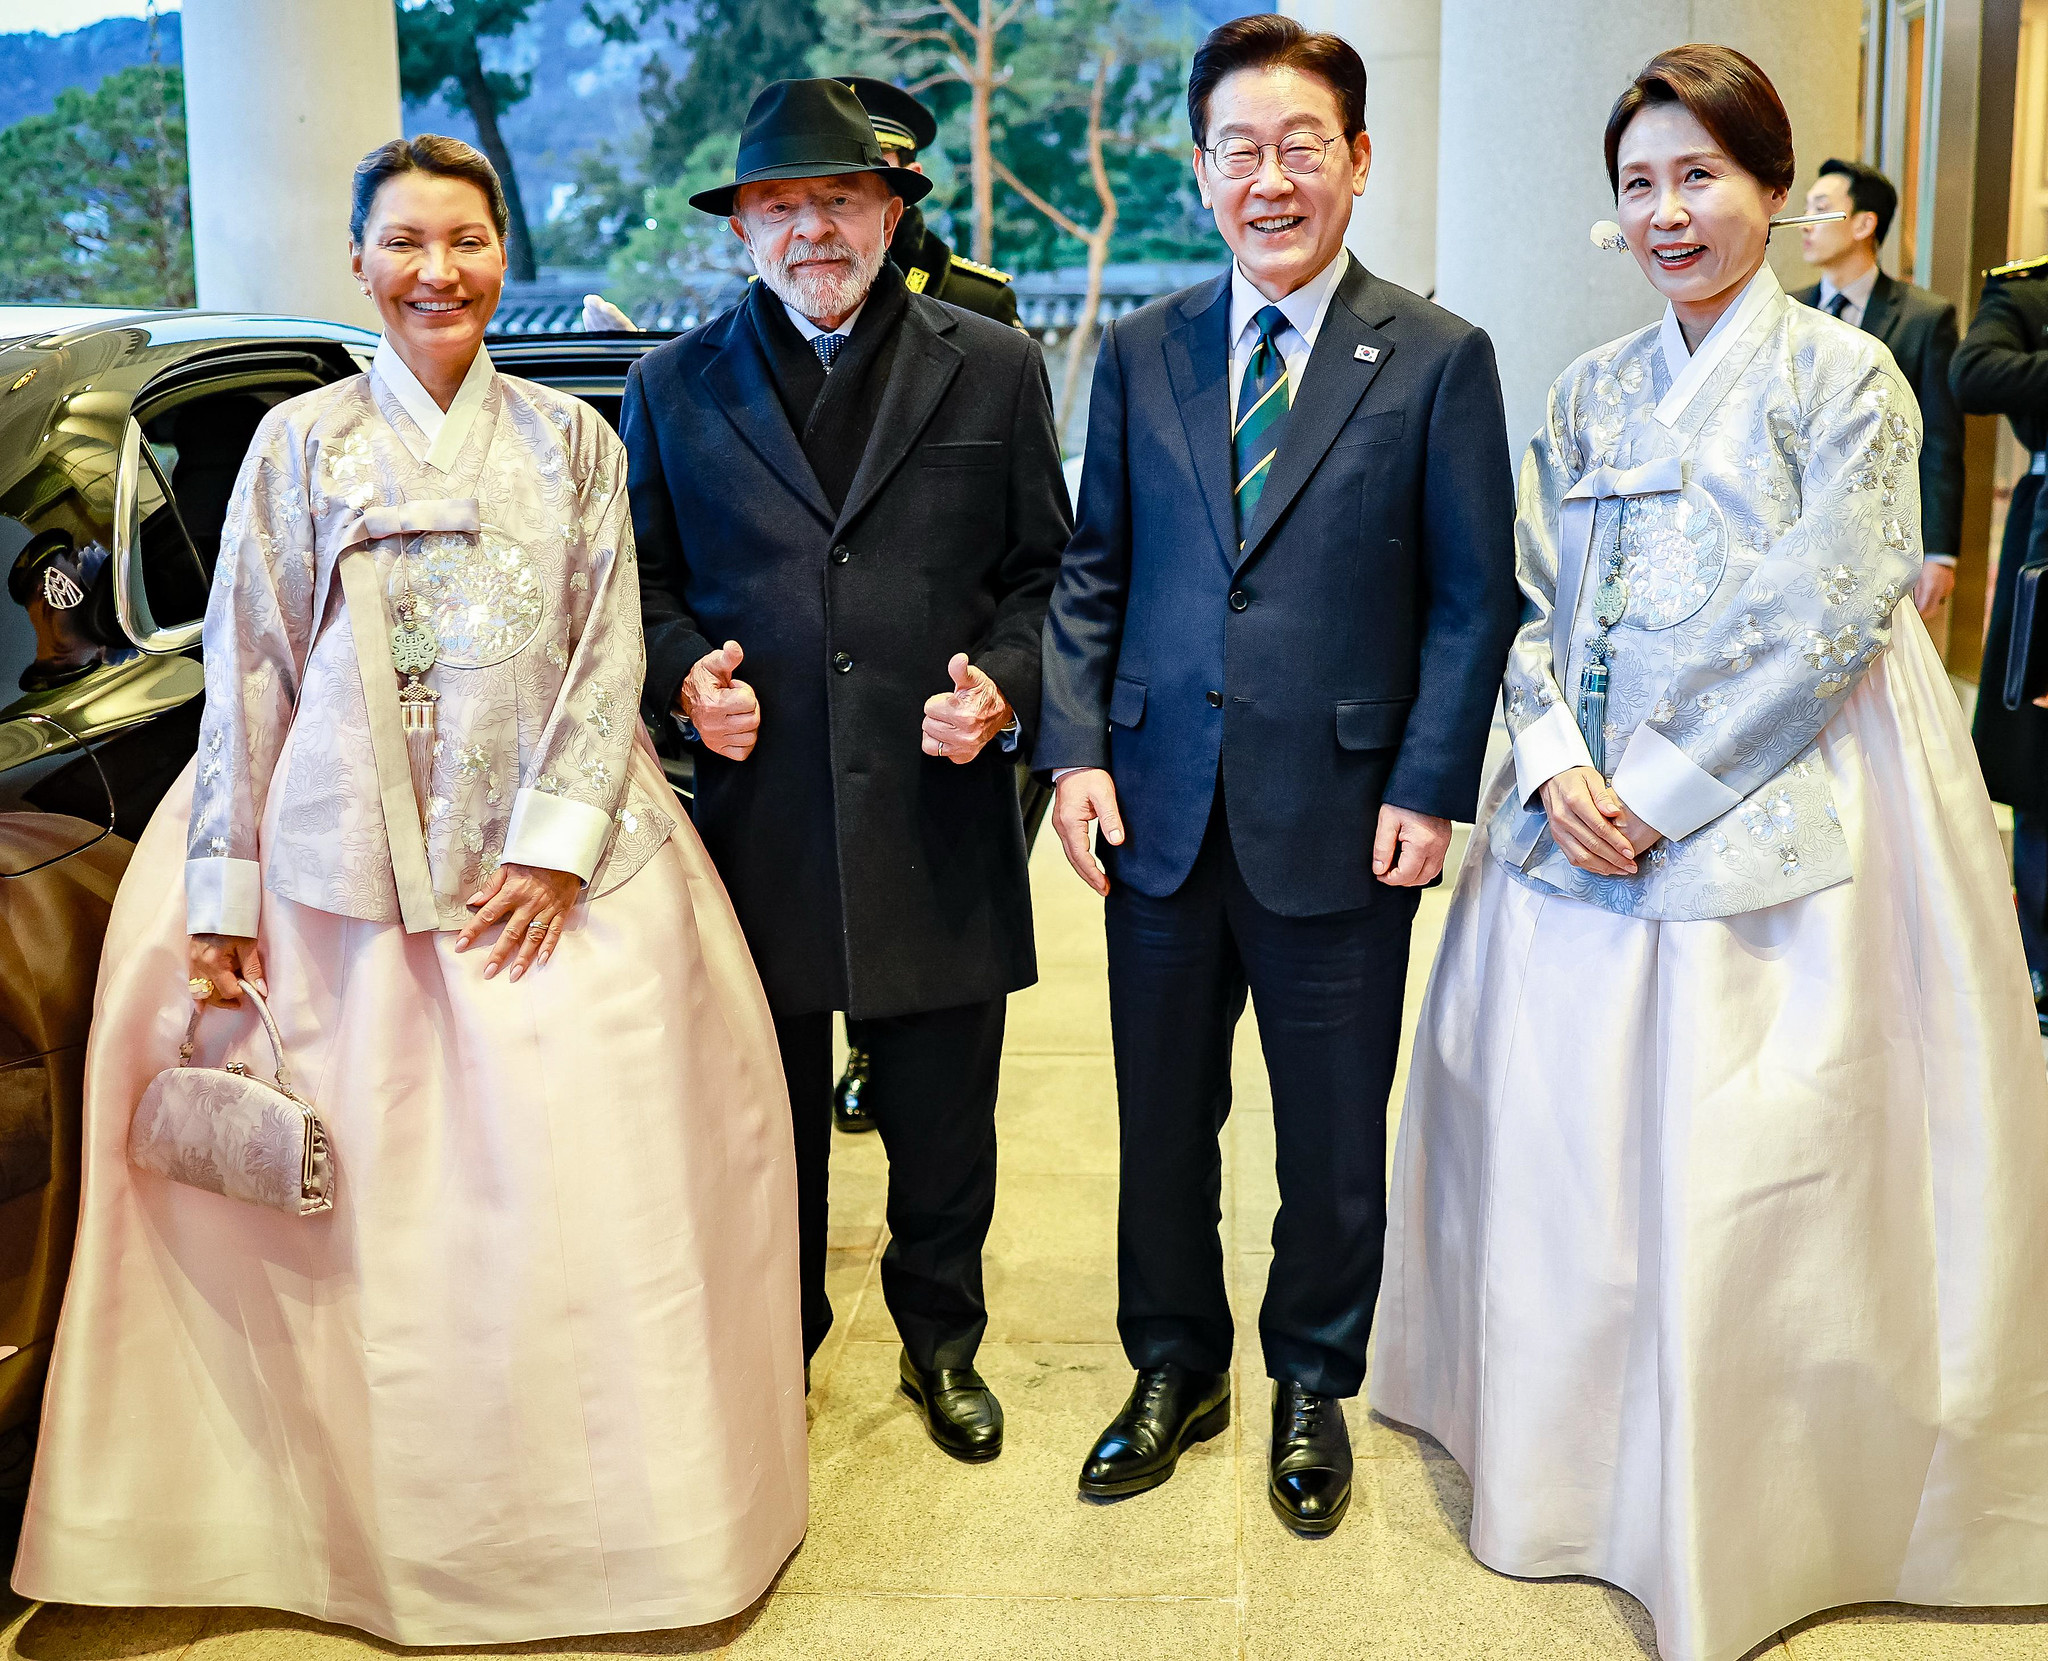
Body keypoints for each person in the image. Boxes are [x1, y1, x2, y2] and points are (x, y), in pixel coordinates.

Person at [11, 136, 808, 1644]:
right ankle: (354, 1527)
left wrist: (554, 848)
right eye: (405, 244)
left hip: (551, 866)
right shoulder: (300, 443)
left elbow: (606, 653)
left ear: (502, 254)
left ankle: (595, 1525)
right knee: (366, 1232)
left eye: (466, 241)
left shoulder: (572, 441)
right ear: (360, 262)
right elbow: (250, 667)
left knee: (584, 1203)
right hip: (336, 877)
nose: (437, 272)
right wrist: (225, 891)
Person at [1373, 46, 2048, 1661]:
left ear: (1772, 188)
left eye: (1700, 177)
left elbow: (1831, 607)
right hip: (1577, 818)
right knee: (1567, 1139)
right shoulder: (1585, 391)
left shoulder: (1846, 379)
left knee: (1769, 1146)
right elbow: (1528, 600)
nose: (1667, 212)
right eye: (1639, 185)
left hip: (1793, 801)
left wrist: (1663, 787)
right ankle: (1570, 1446)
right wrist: (1553, 759)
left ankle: (1768, 1486)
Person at [1036, 15, 1519, 1536]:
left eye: (1300, 145)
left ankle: (1313, 1376)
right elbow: (1093, 571)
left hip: (1346, 814)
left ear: (1357, 160)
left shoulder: (1437, 357)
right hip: (1158, 808)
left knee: (1328, 1134)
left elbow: (1472, 600)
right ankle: (1174, 1367)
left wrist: (1428, 784)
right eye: (1238, 149)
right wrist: (1071, 751)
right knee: (1160, 1123)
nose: (1269, 178)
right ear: (1199, 171)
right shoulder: (1141, 349)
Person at [621, 80, 1070, 1464]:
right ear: (741, 229)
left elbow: (1047, 574)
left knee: (945, 1113)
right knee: (765, 1111)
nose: (811, 229)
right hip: (758, 814)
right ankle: (780, 1338)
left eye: (838, 200)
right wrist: (684, 679)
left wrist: (1008, 686)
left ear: (889, 213)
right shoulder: (671, 384)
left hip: (938, 799)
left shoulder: (991, 364)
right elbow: (641, 585)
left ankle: (942, 1340)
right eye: (780, 206)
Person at [829, 75, 1048, 1137]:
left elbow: (1028, 533)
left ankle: (887, 1046)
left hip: (945, 680)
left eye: (870, 178)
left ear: (903, 186)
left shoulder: (977, 306)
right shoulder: (797, 287)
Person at [1794, 157, 1963, 619]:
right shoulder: (1790, 310)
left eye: (1820, 208)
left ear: (1864, 224)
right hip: (1798, 535)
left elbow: (1941, 440)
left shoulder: (1925, 318)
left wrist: (1940, 553)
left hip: (1885, 536)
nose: (1804, 222)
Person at [1951, 254, 2048, 1031]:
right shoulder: (2026, 291)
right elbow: (1974, 375)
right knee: (2044, 760)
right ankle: (2041, 960)